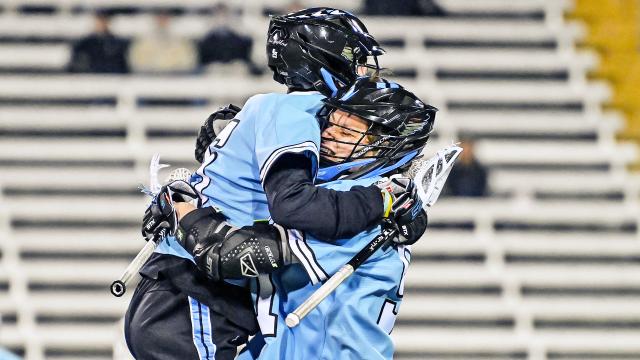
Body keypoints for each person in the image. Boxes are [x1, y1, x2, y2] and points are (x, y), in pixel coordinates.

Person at [125, 8, 419, 360]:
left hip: (198, 289)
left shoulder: (282, 113)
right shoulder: (298, 111)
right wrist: (384, 204)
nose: (335, 133)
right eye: (339, 125)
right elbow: (291, 207)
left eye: (348, 128)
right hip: (197, 288)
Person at [174, 78, 435, 359]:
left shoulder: (351, 200)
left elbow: (233, 255)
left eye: (347, 132)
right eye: (332, 124)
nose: (329, 137)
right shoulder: (374, 200)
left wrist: (177, 209)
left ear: (384, 147)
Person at [128, 11, 197, 74]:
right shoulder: (142, 41)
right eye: (159, 18)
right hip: (148, 80)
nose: (162, 21)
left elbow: (188, 63)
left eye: (165, 18)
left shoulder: (182, 41)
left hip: (176, 80)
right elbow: (136, 64)